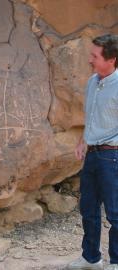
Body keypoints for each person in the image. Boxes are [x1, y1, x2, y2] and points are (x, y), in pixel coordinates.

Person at [67, 34, 118, 270]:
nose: (90, 59)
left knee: (115, 213)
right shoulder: (92, 82)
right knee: (88, 209)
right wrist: (82, 141)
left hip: (113, 156)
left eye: (94, 56)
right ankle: (91, 258)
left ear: (112, 60)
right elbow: (91, 118)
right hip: (93, 155)